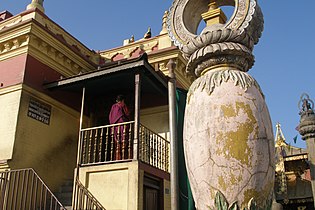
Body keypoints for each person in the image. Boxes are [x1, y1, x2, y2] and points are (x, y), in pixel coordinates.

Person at [109, 95, 131, 160]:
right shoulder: (122, 105)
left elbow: (110, 117)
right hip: (121, 127)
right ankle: (121, 158)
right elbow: (127, 114)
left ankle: (117, 158)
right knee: (122, 143)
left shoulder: (113, 106)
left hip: (114, 128)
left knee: (117, 144)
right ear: (122, 100)